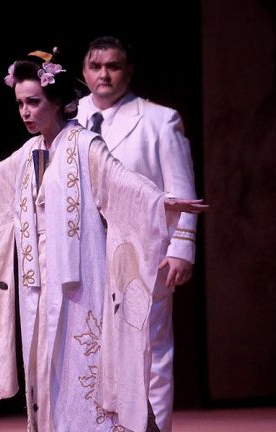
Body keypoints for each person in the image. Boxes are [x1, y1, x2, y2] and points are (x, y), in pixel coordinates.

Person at [0, 49, 206, 432]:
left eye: (34, 102)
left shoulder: (84, 144)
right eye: (20, 103)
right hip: (38, 283)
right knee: (46, 367)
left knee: (85, 365)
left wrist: (162, 203)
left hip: (80, 280)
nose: (25, 111)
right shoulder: (30, 152)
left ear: (57, 102)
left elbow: (120, 183)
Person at [74, 36, 199, 432]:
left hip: (143, 250)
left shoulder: (159, 120)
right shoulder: (69, 118)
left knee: (149, 347)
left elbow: (180, 188)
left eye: (113, 66)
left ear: (128, 71)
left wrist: (181, 247)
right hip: (84, 251)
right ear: (83, 72)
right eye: (96, 67)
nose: (104, 75)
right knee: (88, 344)